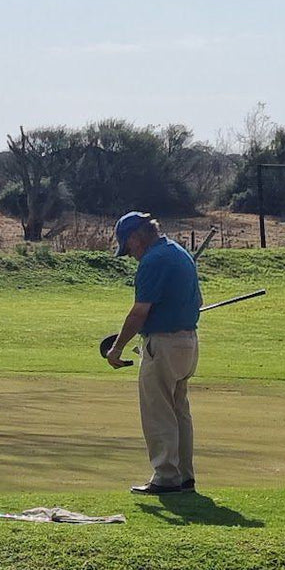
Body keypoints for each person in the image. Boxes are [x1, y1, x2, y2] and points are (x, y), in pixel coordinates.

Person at [103, 211, 202, 494]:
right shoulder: (179, 253)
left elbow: (139, 312)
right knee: (179, 410)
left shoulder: (153, 261)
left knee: (158, 412)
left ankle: (166, 477)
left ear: (136, 237)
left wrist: (117, 347)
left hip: (164, 344)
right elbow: (198, 301)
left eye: (129, 245)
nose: (130, 252)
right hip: (188, 343)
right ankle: (184, 475)